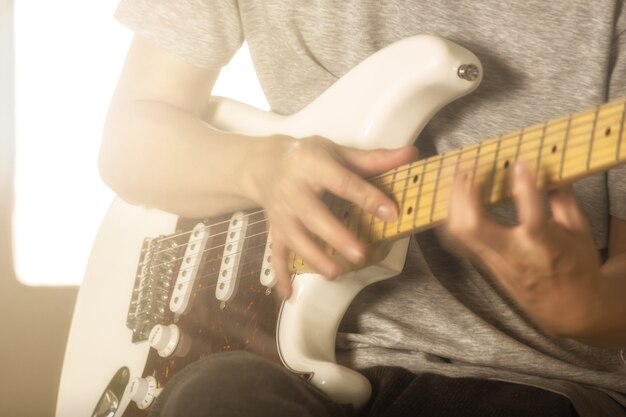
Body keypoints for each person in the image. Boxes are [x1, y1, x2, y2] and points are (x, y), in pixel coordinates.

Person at [100, 1, 626, 416]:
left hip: (528, 380)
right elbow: (128, 148)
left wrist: (591, 307)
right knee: (219, 399)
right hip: (269, 357)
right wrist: (261, 168)